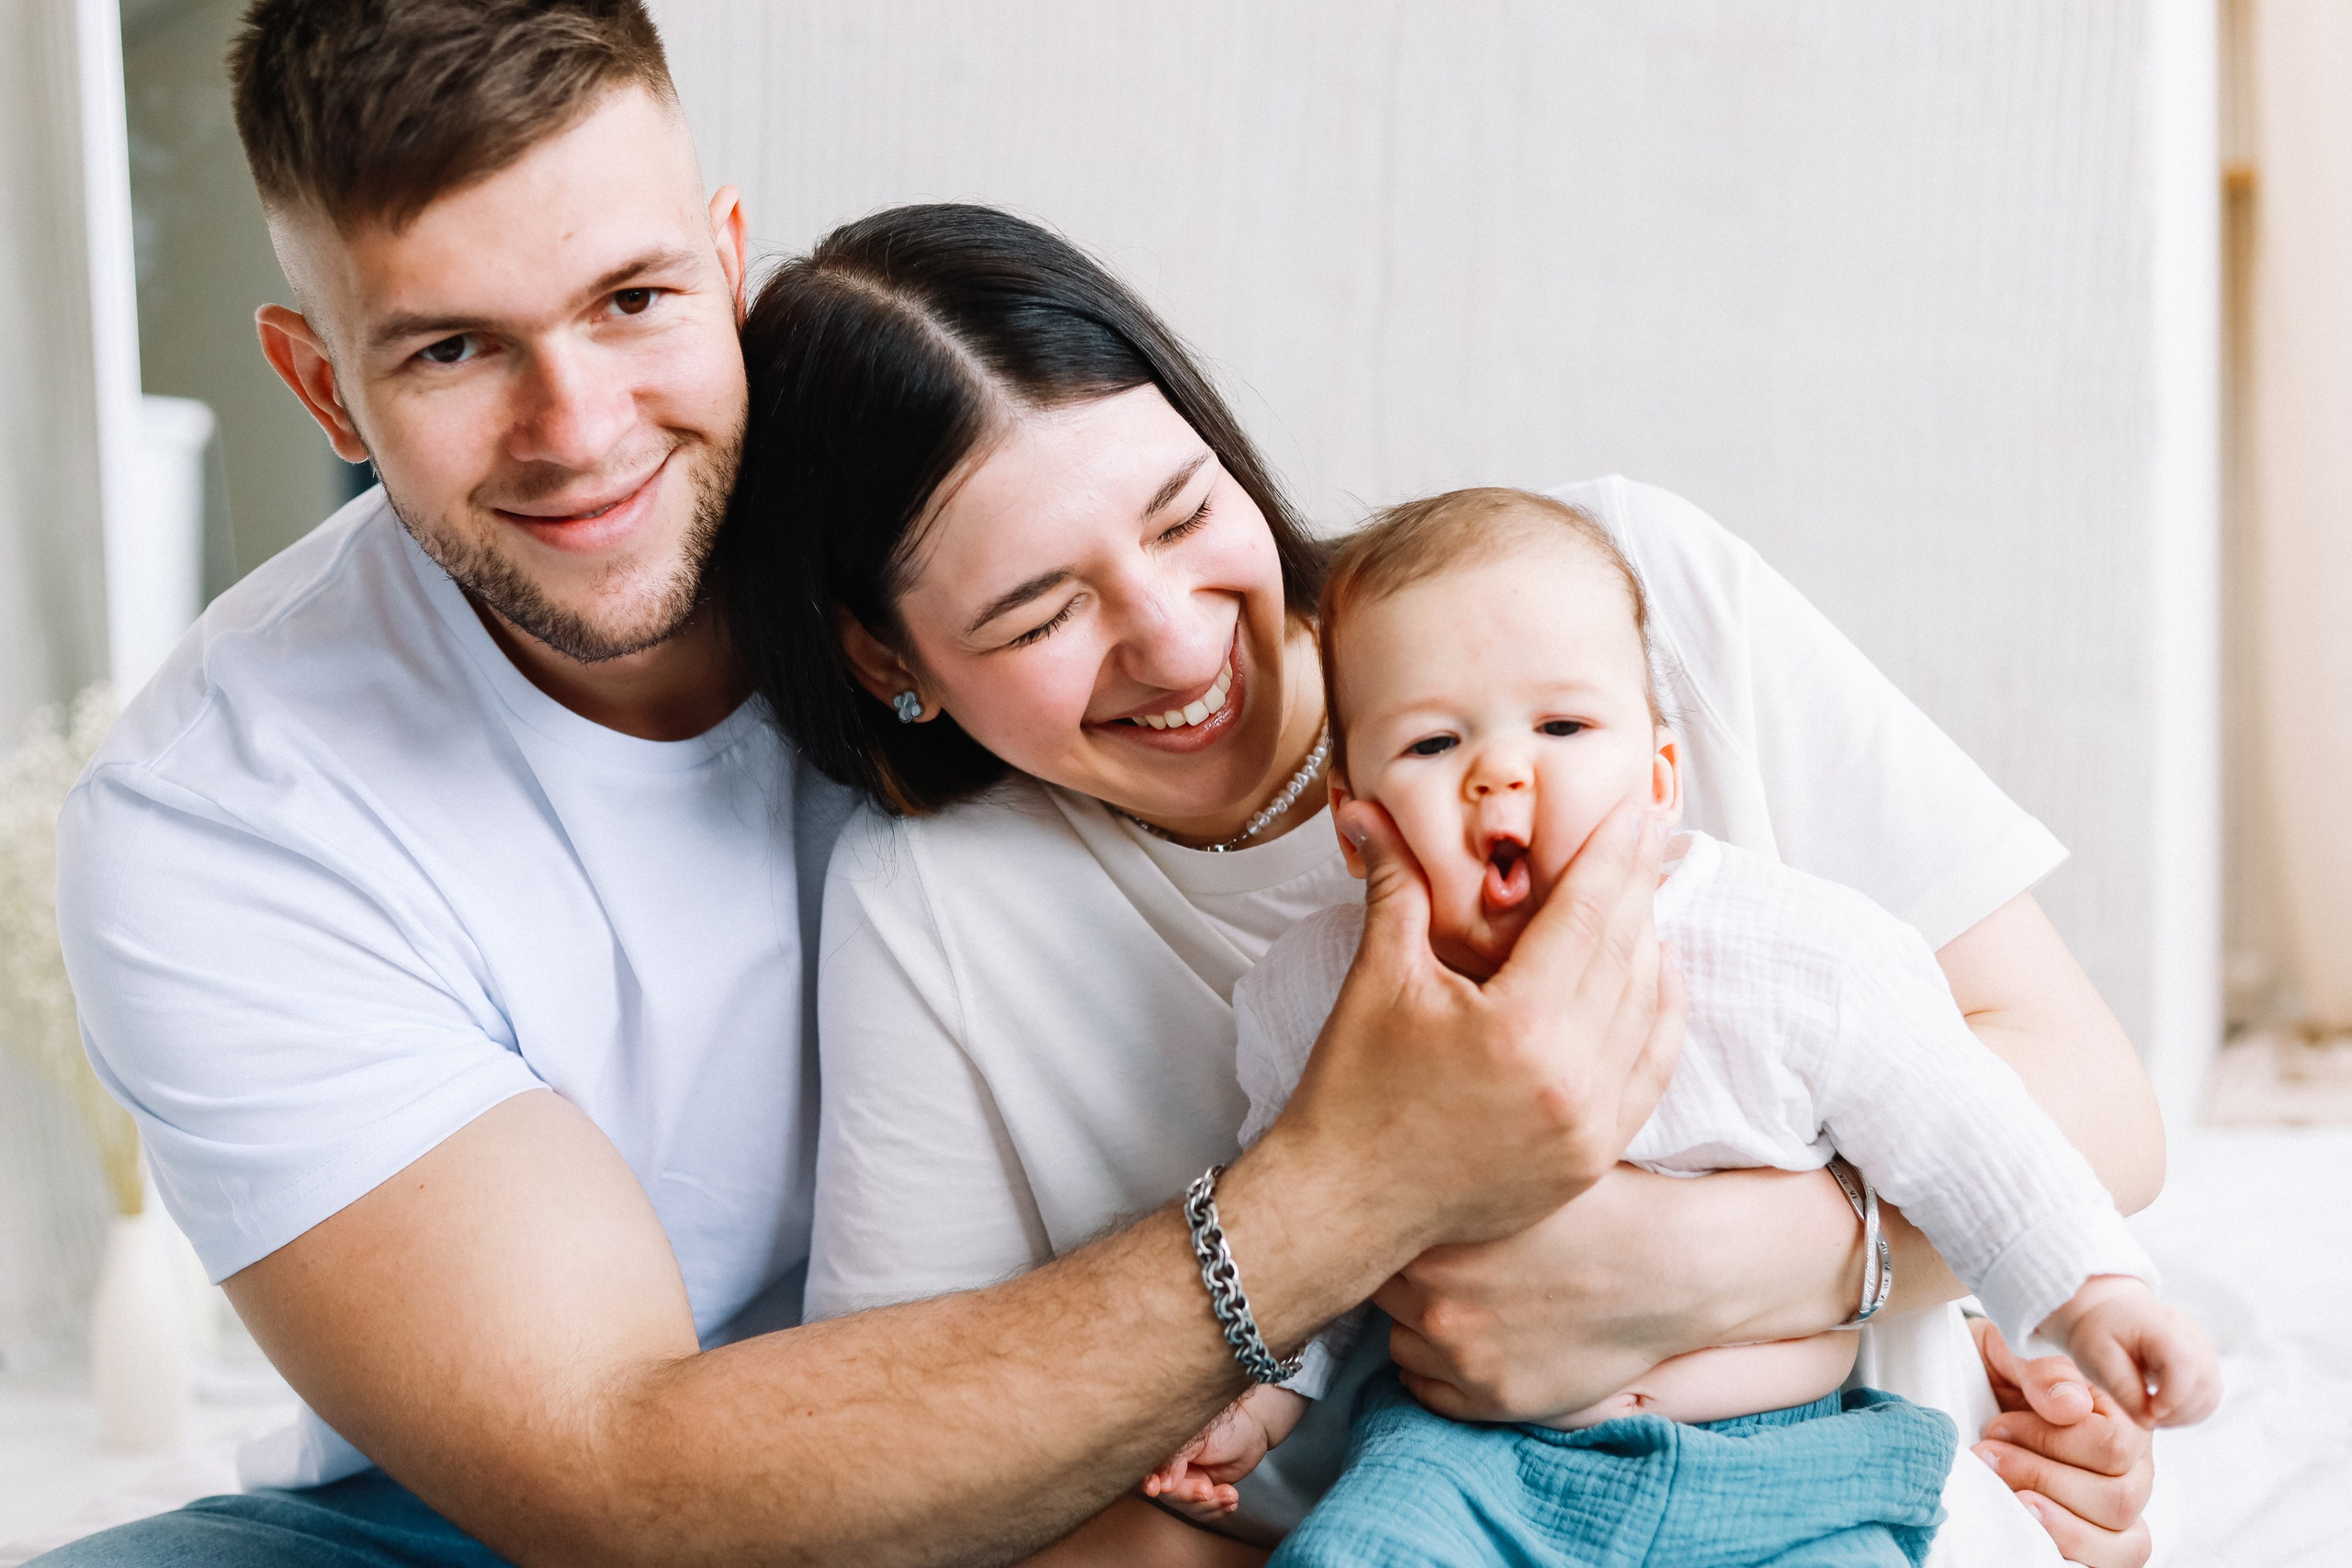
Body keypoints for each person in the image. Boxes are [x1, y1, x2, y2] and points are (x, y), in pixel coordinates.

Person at [36, 3, 2156, 1563]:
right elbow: (637, 1473)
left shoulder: (1588, 590)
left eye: (632, 297)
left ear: (721, 253)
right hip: (643, 1476)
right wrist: (1360, 1191)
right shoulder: (262, 818)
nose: (579, 421)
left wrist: (1746, 1267)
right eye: (446, 346)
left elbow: (2059, 1090)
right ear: (320, 377)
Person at [728, 204, 2166, 1563]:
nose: (1174, 642)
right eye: (1039, 609)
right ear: (884, 658)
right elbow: (928, 1474)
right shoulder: (936, 909)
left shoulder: (1601, 589)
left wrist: (1721, 1264)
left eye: (1181, 515)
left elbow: (2095, 1102)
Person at [1136, 488, 2218, 1565]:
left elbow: (1978, 1140)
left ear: (1659, 780)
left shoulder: (1798, 954)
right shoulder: (1317, 1001)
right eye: (1429, 743)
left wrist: (2093, 1298)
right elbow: (1312, 1238)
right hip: (1461, 1463)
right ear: (1355, 824)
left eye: (1562, 726)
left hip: (1783, 1461)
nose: (1501, 771)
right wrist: (1262, 1401)